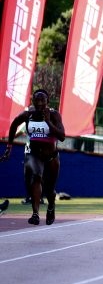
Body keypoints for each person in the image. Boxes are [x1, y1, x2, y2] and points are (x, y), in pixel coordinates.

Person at [1, 89, 66, 225]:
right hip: (34, 154)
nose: (40, 103)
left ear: (48, 101)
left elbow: (62, 136)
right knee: (36, 178)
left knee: (49, 190)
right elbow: (14, 125)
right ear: (33, 101)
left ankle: (51, 207)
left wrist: (48, 121)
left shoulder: (54, 115)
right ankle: (35, 214)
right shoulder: (28, 115)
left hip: (51, 157)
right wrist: (9, 147)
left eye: (43, 100)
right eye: (37, 100)